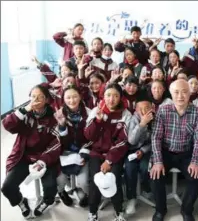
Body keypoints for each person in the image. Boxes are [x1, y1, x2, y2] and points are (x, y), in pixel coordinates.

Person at [1, 85, 61, 218]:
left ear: (46, 100)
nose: (36, 100)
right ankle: (21, 201)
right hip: (23, 156)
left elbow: (56, 143)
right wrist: (25, 109)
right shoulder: (24, 114)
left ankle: (47, 201)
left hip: (45, 157)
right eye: (33, 96)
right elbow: (7, 125)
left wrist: (42, 161)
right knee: (7, 187)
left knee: (51, 186)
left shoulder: (53, 117)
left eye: (40, 97)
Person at [150, 79, 198, 221]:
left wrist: (195, 161)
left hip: (186, 153)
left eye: (184, 92)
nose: (180, 96)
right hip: (166, 152)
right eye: (176, 92)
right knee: (155, 175)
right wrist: (157, 161)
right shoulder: (163, 110)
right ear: (170, 93)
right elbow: (156, 137)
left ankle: (186, 210)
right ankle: (160, 210)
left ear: (190, 93)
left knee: (196, 177)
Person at [84, 83, 132, 221]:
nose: (112, 99)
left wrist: (109, 160)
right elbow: (88, 136)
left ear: (120, 98)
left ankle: (119, 211)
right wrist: (98, 120)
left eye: (116, 95)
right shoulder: (96, 111)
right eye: (108, 95)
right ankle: (92, 212)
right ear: (103, 96)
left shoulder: (125, 114)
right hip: (96, 153)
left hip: (115, 154)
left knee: (113, 179)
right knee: (94, 180)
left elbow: (123, 141)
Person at [55, 86, 92, 207]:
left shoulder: (89, 113)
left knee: (84, 182)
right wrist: (62, 125)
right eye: (68, 97)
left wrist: (84, 152)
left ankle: (87, 195)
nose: (72, 100)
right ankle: (62, 193)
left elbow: (92, 138)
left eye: (75, 96)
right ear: (63, 99)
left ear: (80, 97)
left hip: (83, 151)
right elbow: (60, 141)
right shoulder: (59, 114)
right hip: (66, 153)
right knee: (60, 180)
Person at [124, 91, 154, 215]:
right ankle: (131, 198)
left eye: (147, 108)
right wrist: (142, 124)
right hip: (132, 151)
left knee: (145, 167)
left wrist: (143, 150)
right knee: (130, 169)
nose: (144, 111)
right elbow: (131, 140)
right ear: (136, 109)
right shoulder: (133, 118)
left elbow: (156, 140)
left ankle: (146, 188)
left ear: (152, 107)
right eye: (140, 109)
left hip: (147, 151)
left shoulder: (156, 118)